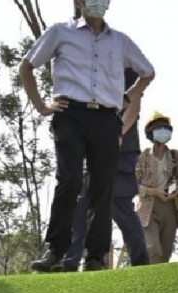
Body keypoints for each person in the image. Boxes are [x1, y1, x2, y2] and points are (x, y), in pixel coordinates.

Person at [19, 0, 155, 272]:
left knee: (102, 186)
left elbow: (148, 72)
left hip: (107, 118)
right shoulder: (60, 32)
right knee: (68, 179)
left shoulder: (120, 41)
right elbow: (26, 67)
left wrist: (126, 97)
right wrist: (41, 105)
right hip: (70, 113)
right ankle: (56, 249)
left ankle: (95, 257)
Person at [62, 68, 151, 271]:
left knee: (119, 206)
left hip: (122, 151)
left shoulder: (127, 72)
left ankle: (140, 260)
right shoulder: (89, 71)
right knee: (82, 206)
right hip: (94, 152)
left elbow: (133, 108)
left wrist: (115, 134)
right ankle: (74, 261)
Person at [135, 112, 178, 263]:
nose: (163, 131)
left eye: (166, 128)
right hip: (147, 209)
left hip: (171, 207)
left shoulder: (177, 156)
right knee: (153, 250)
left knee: (166, 253)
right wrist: (153, 191)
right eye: (158, 128)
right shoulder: (141, 158)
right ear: (150, 133)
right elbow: (133, 185)